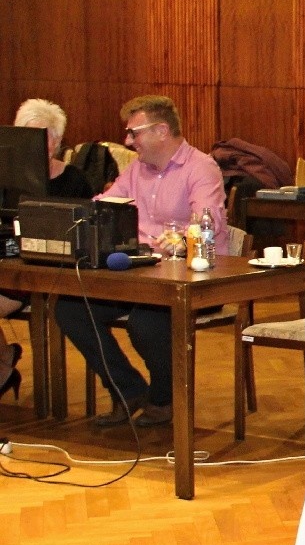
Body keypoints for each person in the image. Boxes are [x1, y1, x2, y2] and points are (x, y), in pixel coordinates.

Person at [54, 95, 226, 428]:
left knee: (146, 323)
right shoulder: (135, 170)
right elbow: (104, 204)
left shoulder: (201, 167)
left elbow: (208, 220)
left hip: (194, 277)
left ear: (161, 131)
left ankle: (163, 399)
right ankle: (128, 390)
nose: (128, 141)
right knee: (71, 309)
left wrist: (179, 236)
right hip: (140, 274)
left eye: (134, 133)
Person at [0, 99, 95, 319]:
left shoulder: (75, 180)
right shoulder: (7, 176)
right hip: (10, 263)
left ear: (57, 141)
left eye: (41, 137)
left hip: (46, 272)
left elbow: (86, 234)